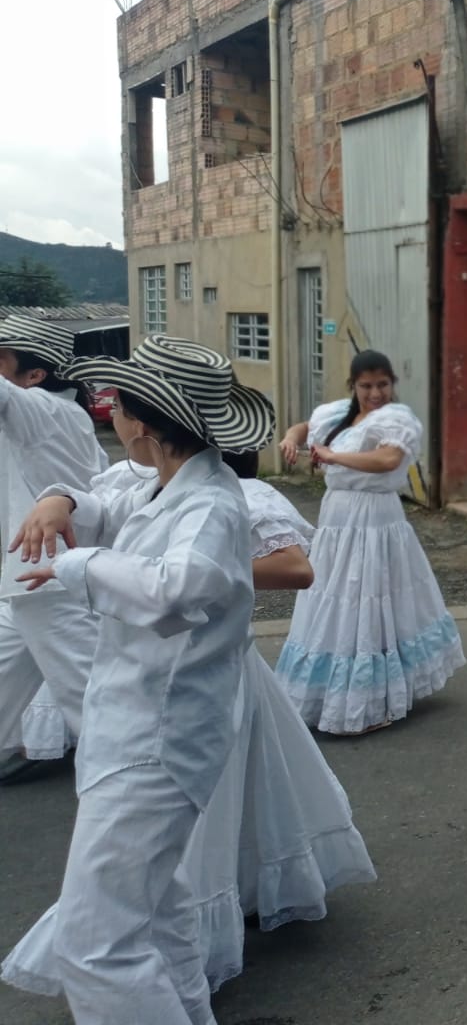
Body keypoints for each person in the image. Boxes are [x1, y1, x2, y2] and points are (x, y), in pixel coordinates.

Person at [4, 447, 376, 996]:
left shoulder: (231, 498)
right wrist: (58, 498)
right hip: (165, 677)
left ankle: (172, 944)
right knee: (192, 823)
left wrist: (208, 569)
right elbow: (102, 505)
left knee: (215, 806)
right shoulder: (152, 488)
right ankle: (172, 949)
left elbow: (295, 567)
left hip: (213, 677)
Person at [4, 335, 269, 1023]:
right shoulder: (167, 483)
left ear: (141, 421)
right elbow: (106, 504)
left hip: (157, 743)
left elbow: (173, 588)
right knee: (155, 917)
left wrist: (76, 565)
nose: (107, 414)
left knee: (96, 946)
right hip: (137, 731)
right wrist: (62, 500)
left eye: (115, 405)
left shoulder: (208, 506)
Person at [275, 350, 464, 734]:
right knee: (335, 600)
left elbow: (388, 460)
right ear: (354, 386)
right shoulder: (335, 415)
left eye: (382, 384)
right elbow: (303, 426)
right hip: (337, 519)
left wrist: (334, 456)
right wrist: (290, 438)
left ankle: (377, 698)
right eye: (366, 386)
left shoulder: (397, 418)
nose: (375, 392)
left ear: (392, 384)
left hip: (375, 518)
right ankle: (334, 689)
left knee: (371, 600)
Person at [0, 317, 108, 786]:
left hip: (49, 582)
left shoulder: (40, 409)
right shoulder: (70, 414)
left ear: (35, 375)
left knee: (95, 702)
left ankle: (138, 789)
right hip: (32, 581)